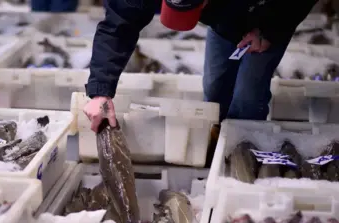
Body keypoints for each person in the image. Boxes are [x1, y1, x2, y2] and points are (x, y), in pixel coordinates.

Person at [83, 0, 318, 133]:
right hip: (223, 18)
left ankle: (242, 156)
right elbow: (118, 25)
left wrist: (268, 31)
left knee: (248, 97)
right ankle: (218, 146)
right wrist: (100, 91)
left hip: (270, 14)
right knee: (215, 90)